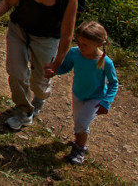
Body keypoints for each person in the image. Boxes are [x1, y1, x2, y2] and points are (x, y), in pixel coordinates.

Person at [0, 0, 79, 131]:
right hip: (18, 30)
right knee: (16, 72)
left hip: (47, 39)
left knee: (39, 83)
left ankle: (40, 98)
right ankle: (24, 112)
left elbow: (67, 35)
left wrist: (57, 64)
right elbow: (8, 1)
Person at [48, 21, 118, 165]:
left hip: (96, 98)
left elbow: (113, 83)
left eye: (85, 44)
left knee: (81, 122)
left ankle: (80, 149)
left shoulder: (105, 62)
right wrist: (54, 70)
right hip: (78, 94)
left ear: (98, 44)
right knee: (78, 122)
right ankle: (78, 141)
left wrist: (106, 101)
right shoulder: (74, 53)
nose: (80, 46)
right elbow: (66, 67)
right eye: (78, 42)